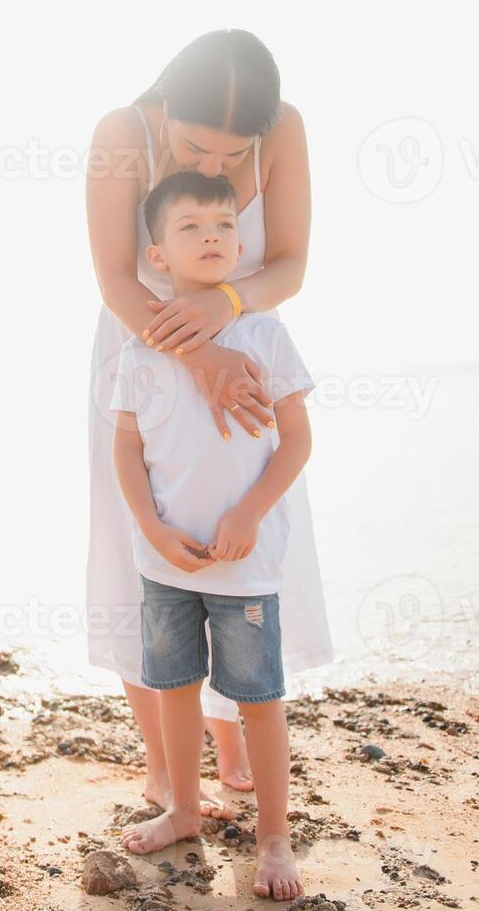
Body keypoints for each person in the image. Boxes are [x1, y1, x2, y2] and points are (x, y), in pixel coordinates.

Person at [85, 29, 333, 812]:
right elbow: (117, 280)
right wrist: (197, 356)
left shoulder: (284, 129)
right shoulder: (121, 135)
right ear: (165, 108)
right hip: (142, 361)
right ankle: (164, 768)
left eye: (235, 156)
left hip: (249, 357)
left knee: (239, 546)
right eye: (196, 147)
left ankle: (232, 743)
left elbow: (288, 263)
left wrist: (225, 310)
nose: (213, 170)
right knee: (144, 555)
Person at [110, 170, 312, 901]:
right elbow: (127, 450)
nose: (213, 237)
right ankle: (184, 809)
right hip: (166, 561)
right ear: (157, 254)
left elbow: (295, 442)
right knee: (175, 687)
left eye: (225, 225)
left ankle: (274, 838)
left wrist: (249, 513)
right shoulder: (140, 350)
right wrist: (153, 530)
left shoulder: (265, 332)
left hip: (245, 565)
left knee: (259, 697)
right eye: (191, 225)